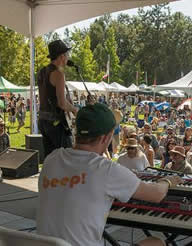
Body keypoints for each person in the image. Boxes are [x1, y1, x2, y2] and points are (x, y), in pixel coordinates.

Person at [37, 103, 183, 246]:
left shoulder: (52, 159)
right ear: (105, 138)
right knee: (156, 242)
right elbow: (156, 194)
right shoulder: (105, 169)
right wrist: (168, 181)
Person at [37, 40, 78, 157]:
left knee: (50, 158)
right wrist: (75, 110)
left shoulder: (42, 72)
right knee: (65, 157)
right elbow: (62, 103)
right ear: (61, 56)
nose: (67, 58)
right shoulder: (58, 74)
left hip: (43, 121)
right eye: (67, 55)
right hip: (55, 122)